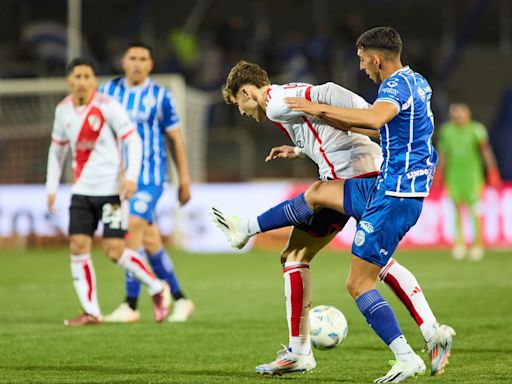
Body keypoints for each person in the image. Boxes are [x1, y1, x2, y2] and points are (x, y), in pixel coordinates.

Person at [211, 54, 454, 382]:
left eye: (237, 103)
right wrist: (299, 149)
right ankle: (430, 331)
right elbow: (321, 125)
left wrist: (366, 116)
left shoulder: (274, 101)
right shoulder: (283, 101)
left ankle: (246, 230)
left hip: (356, 176)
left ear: (246, 92)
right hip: (364, 170)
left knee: (317, 202)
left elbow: (326, 94)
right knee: (322, 257)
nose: (240, 111)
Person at [45, 57, 170, 326]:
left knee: (114, 251)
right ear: (69, 81)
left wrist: (132, 178)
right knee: (78, 246)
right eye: (76, 76)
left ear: (94, 80)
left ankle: (157, 287)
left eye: (86, 76)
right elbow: (57, 151)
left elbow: (133, 140)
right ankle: (91, 311)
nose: (81, 81)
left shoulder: (107, 106)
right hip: (81, 192)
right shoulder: (63, 110)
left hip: (111, 191)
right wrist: (51, 187)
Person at [99, 42, 194, 323]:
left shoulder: (160, 96)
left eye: (143, 58)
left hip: (150, 179)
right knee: (151, 242)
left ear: (151, 64)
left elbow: (175, 140)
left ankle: (130, 305)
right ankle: (181, 299)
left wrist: (184, 180)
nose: (137, 63)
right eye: (132, 58)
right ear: (123, 61)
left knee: (131, 234)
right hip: (117, 179)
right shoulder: (107, 93)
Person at [437, 102, 501, 261]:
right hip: (454, 176)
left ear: (468, 113)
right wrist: (439, 172)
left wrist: (492, 170)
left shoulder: (476, 130)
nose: (458, 116)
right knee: (457, 209)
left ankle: (478, 244)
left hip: (473, 176)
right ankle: (459, 244)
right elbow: (443, 154)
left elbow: (485, 151)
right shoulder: (447, 131)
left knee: (475, 210)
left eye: (461, 112)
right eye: (455, 113)